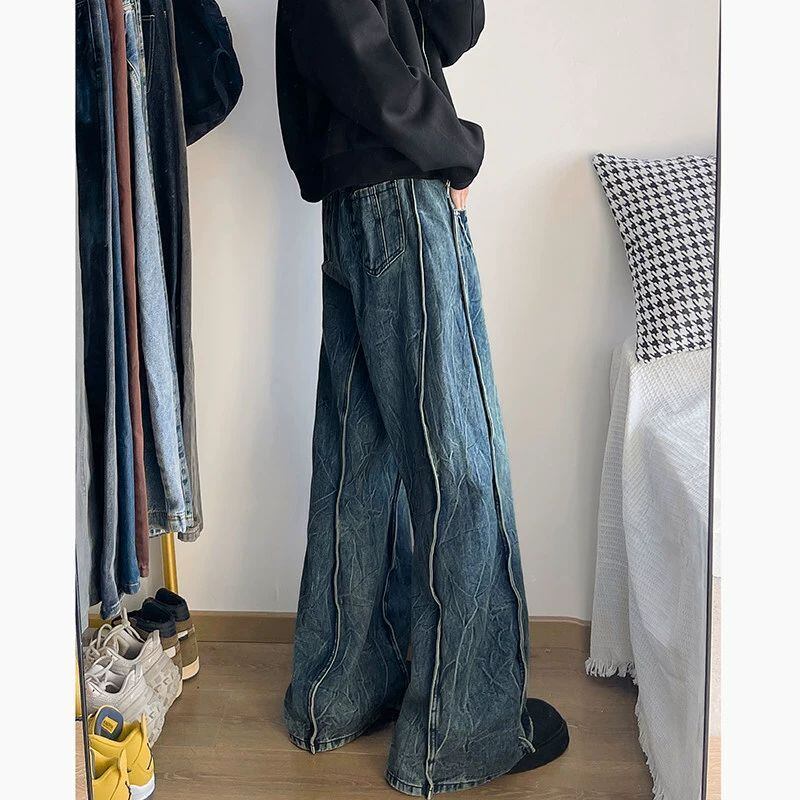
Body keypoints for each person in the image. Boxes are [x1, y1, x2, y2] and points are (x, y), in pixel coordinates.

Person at [276, 2, 568, 796]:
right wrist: (455, 149)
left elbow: (452, 29)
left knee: (359, 465)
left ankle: (339, 693)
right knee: (461, 467)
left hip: (357, 198)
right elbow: (351, 41)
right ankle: (459, 737)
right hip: (399, 194)